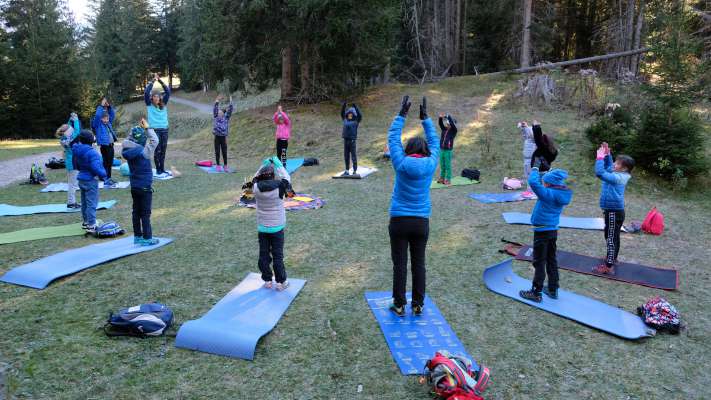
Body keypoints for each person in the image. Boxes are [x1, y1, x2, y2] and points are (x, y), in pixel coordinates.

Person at [387, 96, 439, 317]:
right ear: (425, 150)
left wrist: (402, 113)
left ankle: (399, 304)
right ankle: (417, 304)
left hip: (399, 221)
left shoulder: (401, 162)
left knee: (400, 265)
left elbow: (392, 138)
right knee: (419, 264)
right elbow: (436, 142)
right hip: (420, 222)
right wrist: (426, 119)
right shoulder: (430, 163)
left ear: (408, 149)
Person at [518, 163, 573, 303]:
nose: (544, 183)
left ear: (548, 183)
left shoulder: (547, 193)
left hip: (542, 232)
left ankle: (536, 292)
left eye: (545, 181)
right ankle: (553, 289)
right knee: (551, 260)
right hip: (552, 231)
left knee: (539, 261)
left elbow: (532, 182)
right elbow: (544, 181)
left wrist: (535, 168)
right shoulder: (559, 191)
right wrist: (545, 172)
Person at [250, 157, 295, 291]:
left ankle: (268, 281)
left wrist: (263, 164)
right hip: (277, 228)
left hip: (263, 228)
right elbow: (286, 176)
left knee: (264, 255)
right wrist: (278, 164)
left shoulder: (256, 187)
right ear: (272, 175)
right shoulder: (281, 186)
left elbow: (254, 177)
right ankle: (281, 282)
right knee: (278, 256)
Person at [593, 142, 634, 275]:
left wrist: (599, 157)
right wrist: (607, 154)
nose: (614, 165)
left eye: (617, 163)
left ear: (624, 168)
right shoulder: (619, 173)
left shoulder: (618, 178)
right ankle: (613, 258)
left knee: (610, 237)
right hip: (615, 211)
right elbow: (610, 167)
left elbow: (600, 173)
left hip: (613, 212)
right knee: (613, 235)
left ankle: (608, 266)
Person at [122, 118, 160, 246]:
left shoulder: (126, 150)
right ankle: (147, 238)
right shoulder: (144, 152)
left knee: (136, 211)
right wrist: (148, 128)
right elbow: (155, 140)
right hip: (144, 187)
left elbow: (128, 140)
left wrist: (134, 131)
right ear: (142, 140)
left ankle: (137, 236)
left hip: (134, 186)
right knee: (145, 213)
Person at [72, 130, 109, 232]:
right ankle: (92, 224)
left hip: (81, 178)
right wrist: (104, 174)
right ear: (91, 140)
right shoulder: (92, 153)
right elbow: (95, 167)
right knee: (92, 203)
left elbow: (76, 164)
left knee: (84, 203)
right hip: (90, 180)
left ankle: (86, 222)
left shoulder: (77, 150)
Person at [144, 73, 171, 178]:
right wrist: (152, 81)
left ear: (160, 97)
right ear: (152, 97)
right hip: (154, 130)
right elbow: (146, 92)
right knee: (157, 150)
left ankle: (162, 168)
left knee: (163, 150)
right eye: (154, 96)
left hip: (164, 129)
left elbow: (168, 92)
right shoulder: (149, 104)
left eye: (158, 96)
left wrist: (160, 81)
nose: (156, 98)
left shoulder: (163, 103)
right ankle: (158, 170)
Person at [92, 97, 118, 186]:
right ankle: (105, 178)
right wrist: (101, 105)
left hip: (111, 145)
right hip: (104, 145)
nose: (106, 120)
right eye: (104, 119)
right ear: (100, 119)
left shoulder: (108, 123)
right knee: (106, 162)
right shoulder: (98, 124)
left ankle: (108, 178)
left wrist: (109, 107)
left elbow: (112, 115)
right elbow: (98, 115)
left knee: (110, 162)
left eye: (107, 118)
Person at [59, 112, 81, 208]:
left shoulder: (64, 138)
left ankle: (71, 201)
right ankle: (71, 202)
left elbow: (68, 127)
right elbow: (76, 130)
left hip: (69, 163)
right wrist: (75, 120)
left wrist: (70, 118)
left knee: (72, 183)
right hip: (73, 163)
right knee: (73, 184)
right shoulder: (70, 138)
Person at [213, 95, 234, 172]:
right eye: (218, 112)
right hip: (217, 137)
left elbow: (230, 110)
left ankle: (225, 166)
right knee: (217, 151)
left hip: (223, 137)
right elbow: (215, 108)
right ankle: (218, 165)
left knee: (224, 152)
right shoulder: (215, 116)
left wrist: (231, 101)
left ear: (223, 113)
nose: (219, 113)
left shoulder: (226, 118)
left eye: (220, 112)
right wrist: (217, 100)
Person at [341, 101, 362, 175]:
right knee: (346, 156)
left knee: (353, 156)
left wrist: (355, 106)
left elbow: (360, 115)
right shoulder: (345, 120)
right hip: (345, 140)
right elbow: (342, 113)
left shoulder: (356, 121)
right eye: (349, 114)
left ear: (353, 114)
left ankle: (355, 170)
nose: (350, 115)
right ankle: (347, 170)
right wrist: (344, 105)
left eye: (351, 114)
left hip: (352, 141)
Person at [437, 113, 458, 185]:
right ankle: (442, 178)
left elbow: (452, 123)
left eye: (449, 124)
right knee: (442, 165)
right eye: (447, 124)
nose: (447, 125)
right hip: (442, 150)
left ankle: (448, 179)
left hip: (448, 151)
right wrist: (440, 118)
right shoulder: (444, 129)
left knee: (447, 166)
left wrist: (448, 116)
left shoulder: (454, 131)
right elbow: (440, 124)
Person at [518, 121, 536, 196]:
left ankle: (531, 191)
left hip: (531, 160)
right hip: (526, 159)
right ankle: (529, 190)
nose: (525, 134)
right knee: (527, 175)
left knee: (530, 175)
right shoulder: (527, 140)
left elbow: (531, 134)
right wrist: (522, 127)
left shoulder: (533, 139)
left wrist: (525, 126)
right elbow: (525, 133)